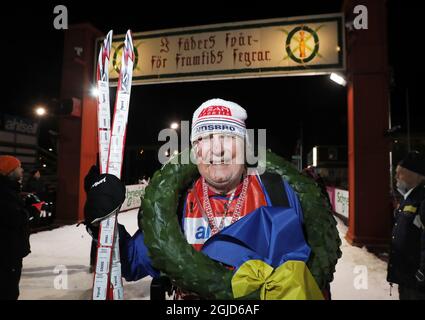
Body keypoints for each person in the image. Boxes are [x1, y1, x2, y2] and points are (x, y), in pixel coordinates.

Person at [84, 98, 327, 300]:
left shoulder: (278, 193)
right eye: (205, 138)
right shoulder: (177, 202)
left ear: (245, 146)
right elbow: (133, 261)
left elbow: (315, 276)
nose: (217, 149)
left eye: (228, 137)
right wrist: (104, 225)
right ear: (194, 150)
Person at [387, 150, 425, 300]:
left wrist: (422, 273)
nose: (396, 177)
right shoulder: (407, 199)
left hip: (417, 284)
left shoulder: (422, 200)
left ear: (416, 175)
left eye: (400, 173)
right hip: (406, 279)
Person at [0, 155, 31, 300]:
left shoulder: (10, 190)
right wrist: (31, 212)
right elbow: (13, 218)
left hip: (11, 251)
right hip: (7, 253)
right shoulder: (4, 192)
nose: (22, 170)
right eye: (18, 167)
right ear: (9, 171)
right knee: (8, 291)